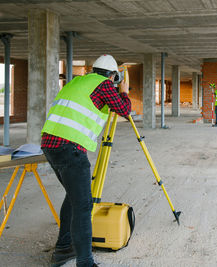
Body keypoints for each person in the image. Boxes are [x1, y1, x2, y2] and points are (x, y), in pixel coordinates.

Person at [41, 54, 131, 267]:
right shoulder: (104, 84)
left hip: (50, 145)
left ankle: (64, 248)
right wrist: (124, 92)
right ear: (113, 76)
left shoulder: (78, 81)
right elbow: (124, 110)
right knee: (83, 204)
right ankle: (85, 262)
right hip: (70, 148)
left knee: (73, 198)